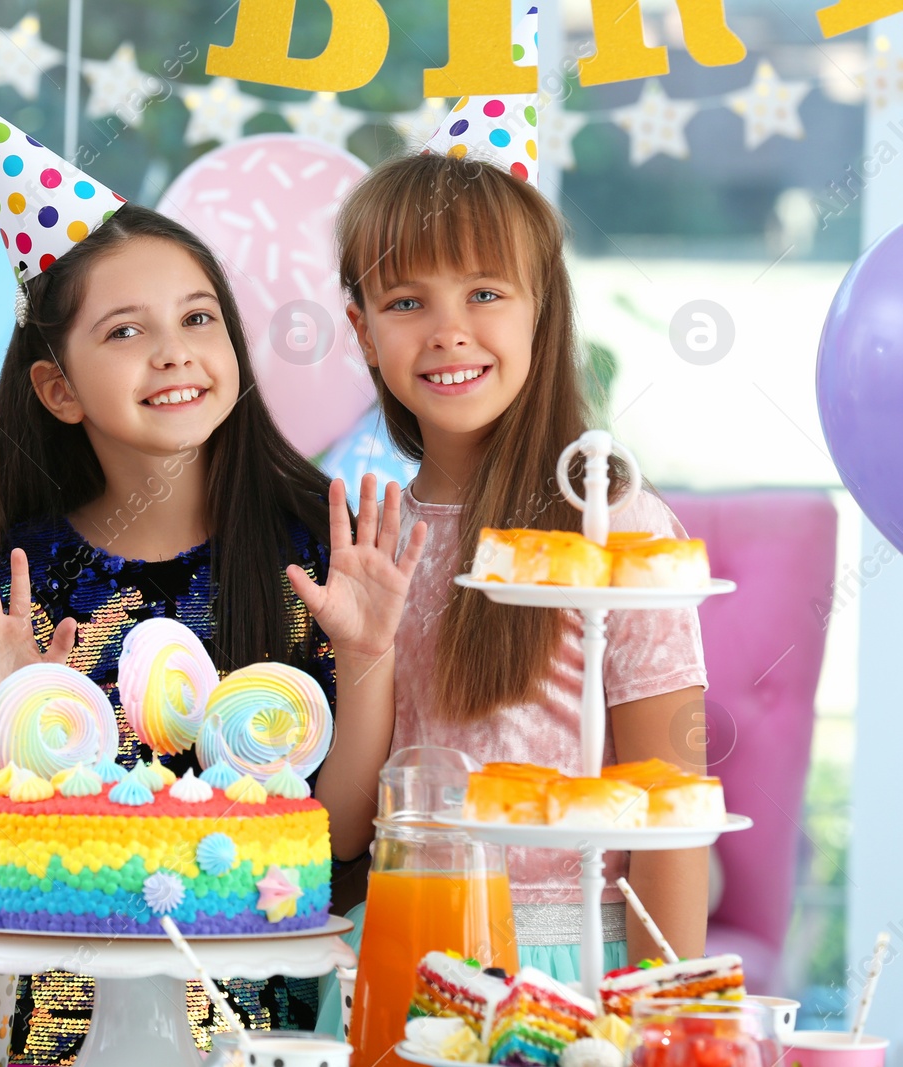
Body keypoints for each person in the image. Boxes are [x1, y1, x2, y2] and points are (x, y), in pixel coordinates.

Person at [0, 95, 427, 1062]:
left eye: (199, 317)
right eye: (123, 332)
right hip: (49, 1030)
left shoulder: (312, 554)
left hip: (250, 1029)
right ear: (57, 388)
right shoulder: (24, 571)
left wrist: (367, 657)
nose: (173, 351)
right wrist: (2, 702)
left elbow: (343, 847)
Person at [316, 149, 710, 1039]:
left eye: (485, 292)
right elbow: (345, 833)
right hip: (403, 958)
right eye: (406, 301)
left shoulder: (609, 526)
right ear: (361, 328)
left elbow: (670, 811)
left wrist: (668, 1029)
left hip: (569, 972)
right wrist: (363, 656)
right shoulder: (374, 540)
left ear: (545, 308)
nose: (448, 331)